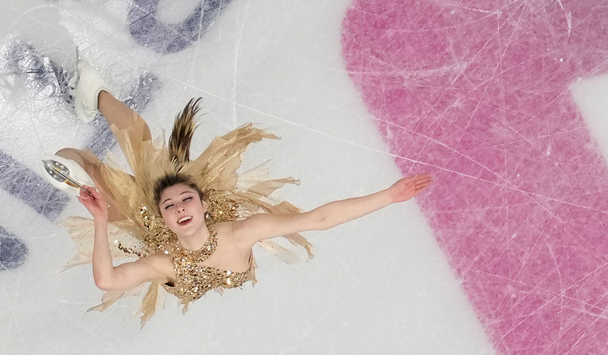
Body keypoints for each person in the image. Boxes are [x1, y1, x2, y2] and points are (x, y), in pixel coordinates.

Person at [49, 59, 432, 323]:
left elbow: (317, 219)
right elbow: (108, 281)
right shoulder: (182, 254)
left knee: (113, 195)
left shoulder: (235, 234)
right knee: (129, 147)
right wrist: (99, 219)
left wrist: (388, 196)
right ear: (164, 215)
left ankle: (84, 166)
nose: (180, 208)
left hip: (161, 236)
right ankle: (90, 97)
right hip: (153, 230)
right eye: (172, 206)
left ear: (202, 205)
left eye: (186, 200)